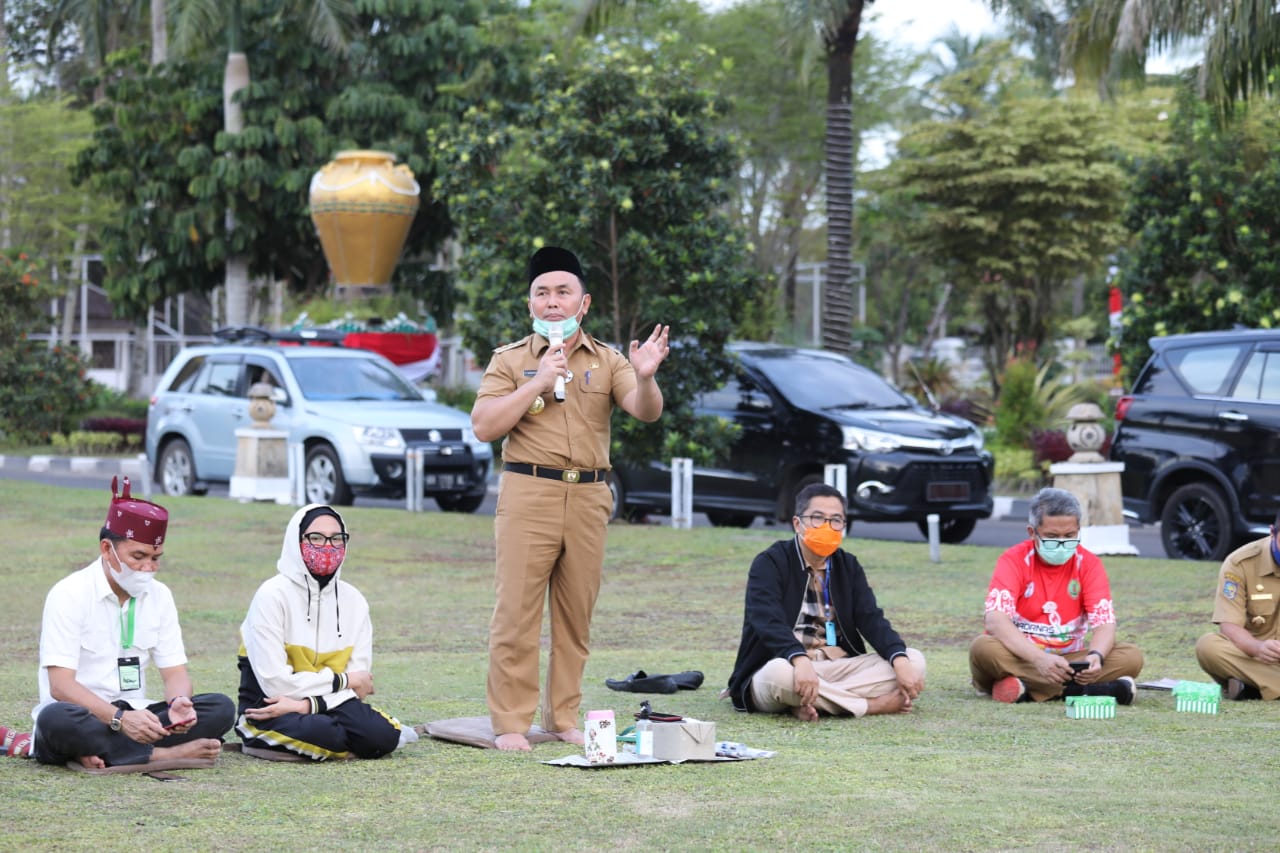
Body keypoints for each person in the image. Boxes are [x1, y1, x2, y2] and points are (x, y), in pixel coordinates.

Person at [471, 246, 670, 751]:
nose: (552, 302)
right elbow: (483, 426)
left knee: (575, 614)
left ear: (583, 304)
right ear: (530, 304)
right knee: (515, 612)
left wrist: (646, 376)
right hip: (528, 490)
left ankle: (563, 717)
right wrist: (536, 381)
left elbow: (644, 412)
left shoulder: (608, 360)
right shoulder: (509, 360)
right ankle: (512, 723)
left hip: (588, 495)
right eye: (543, 293)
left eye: (563, 293)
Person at [9, 477, 234, 768]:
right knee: (56, 721)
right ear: (106, 549)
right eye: (138, 556)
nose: (147, 568)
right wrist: (120, 719)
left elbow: (175, 672)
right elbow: (61, 686)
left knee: (221, 708)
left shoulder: (160, 595)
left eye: (156, 558)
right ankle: (163, 755)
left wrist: (179, 702)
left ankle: (103, 752)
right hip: (83, 714)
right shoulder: (69, 593)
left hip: (137, 713)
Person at [725, 483, 926, 721]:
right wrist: (798, 659)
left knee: (913, 661)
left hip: (838, 666)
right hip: (787, 664)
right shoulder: (770, 562)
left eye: (836, 520)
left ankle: (810, 701)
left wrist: (898, 657)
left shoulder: (848, 565)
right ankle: (870, 705)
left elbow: (870, 617)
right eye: (817, 518)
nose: (827, 527)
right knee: (778, 676)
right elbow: (767, 620)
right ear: (798, 523)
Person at [235, 504, 419, 760]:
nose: (327, 547)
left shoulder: (354, 600)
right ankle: (261, 738)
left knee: (381, 737)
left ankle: (354, 734)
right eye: (316, 538)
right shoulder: (271, 596)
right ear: (296, 541)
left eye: (336, 539)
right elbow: (276, 683)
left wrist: (306, 705)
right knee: (328, 734)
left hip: (328, 704)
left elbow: (361, 684)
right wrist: (343, 681)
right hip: (270, 706)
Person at [969, 487, 1144, 704]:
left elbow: (1104, 623)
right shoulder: (1013, 560)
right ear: (1032, 533)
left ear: (1079, 530)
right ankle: (1083, 691)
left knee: (1131, 656)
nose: (1062, 544)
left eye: (1070, 536)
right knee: (983, 648)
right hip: (1022, 656)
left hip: (1070, 660)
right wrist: (1039, 659)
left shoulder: (1089, 564)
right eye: (1052, 537)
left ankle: (1025, 688)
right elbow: (995, 620)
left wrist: (1096, 657)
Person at [1195, 513, 1280, 700]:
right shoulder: (1240, 563)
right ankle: (1262, 684)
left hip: (1256, 667)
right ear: (1272, 532)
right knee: (1208, 646)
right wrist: (1259, 648)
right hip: (1255, 656)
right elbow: (1229, 626)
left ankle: (1251, 687)